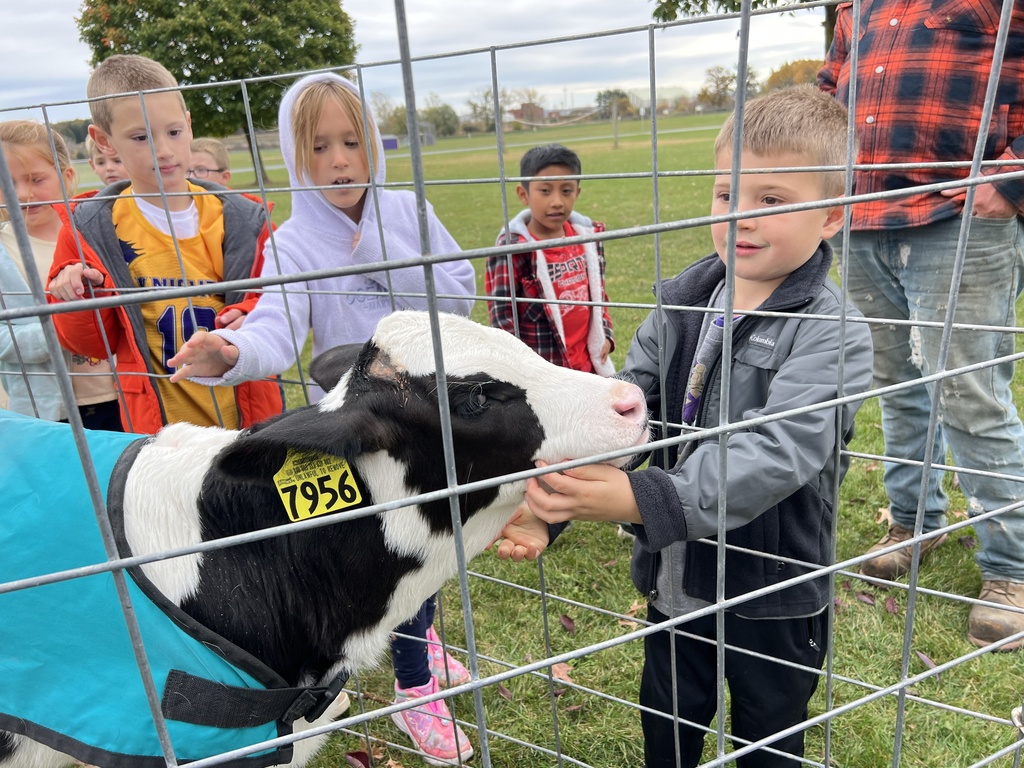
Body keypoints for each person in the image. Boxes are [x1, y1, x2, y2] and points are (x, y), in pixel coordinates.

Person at [501, 86, 873, 767]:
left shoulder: (833, 331)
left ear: (831, 215)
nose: (740, 217)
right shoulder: (681, 303)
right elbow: (624, 413)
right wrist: (550, 510)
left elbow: (777, 451)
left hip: (770, 589)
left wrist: (643, 499)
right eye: (727, 194)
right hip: (676, 576)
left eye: (771, 199)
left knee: (768, 736)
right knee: (667, 719)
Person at [166, 71, 478, 766]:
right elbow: (275, 328)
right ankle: (415, 689)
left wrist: (387, 258)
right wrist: (231, 353)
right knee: (383, 556)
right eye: (319, 147)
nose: (339, 161)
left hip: (429, 418)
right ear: (294, 155)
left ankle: (422, 645)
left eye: (351, 142)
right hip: (354, 429)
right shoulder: (293, 242)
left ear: (373, 144)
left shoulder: (409, 212)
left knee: (433, 541)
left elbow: (459, 293)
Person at [819, 0, 1024, 650]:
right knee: (898, 385)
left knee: (968, 391)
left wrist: (1009, 181)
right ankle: (914, 521)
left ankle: (1013, 570)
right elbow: (828, 95)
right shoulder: (858, 5)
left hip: (960, 216)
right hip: (861, 216)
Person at [46, 54, 282, 435]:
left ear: (189, 124)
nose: (163, 150)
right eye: (141, 138)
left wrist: (249, 317)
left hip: (248, 426)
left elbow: (278, 307)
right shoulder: (87, 230)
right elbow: (92, 345)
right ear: (103, 141)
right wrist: (74, 297)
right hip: (158, 437)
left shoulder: (245, 220)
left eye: (173, 132)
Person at [0, 120, 121, 429]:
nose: (22, 194)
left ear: (66, 177)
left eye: (36, 179)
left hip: (121, 395)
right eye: (5, 182)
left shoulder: (100, 235)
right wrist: (64, 331)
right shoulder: (3, 251)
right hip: (44, 412)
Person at [486, 143, 614, 375]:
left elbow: (598, 293)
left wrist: (605, 334)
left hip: (589, 367)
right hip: (545, 373)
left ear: (577, 192)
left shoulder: (588, 238)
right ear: (523, 194)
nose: (557, 202)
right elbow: (502, 319)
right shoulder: (512, 249)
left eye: (566, 191)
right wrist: (522, 368)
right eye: (545, 191)